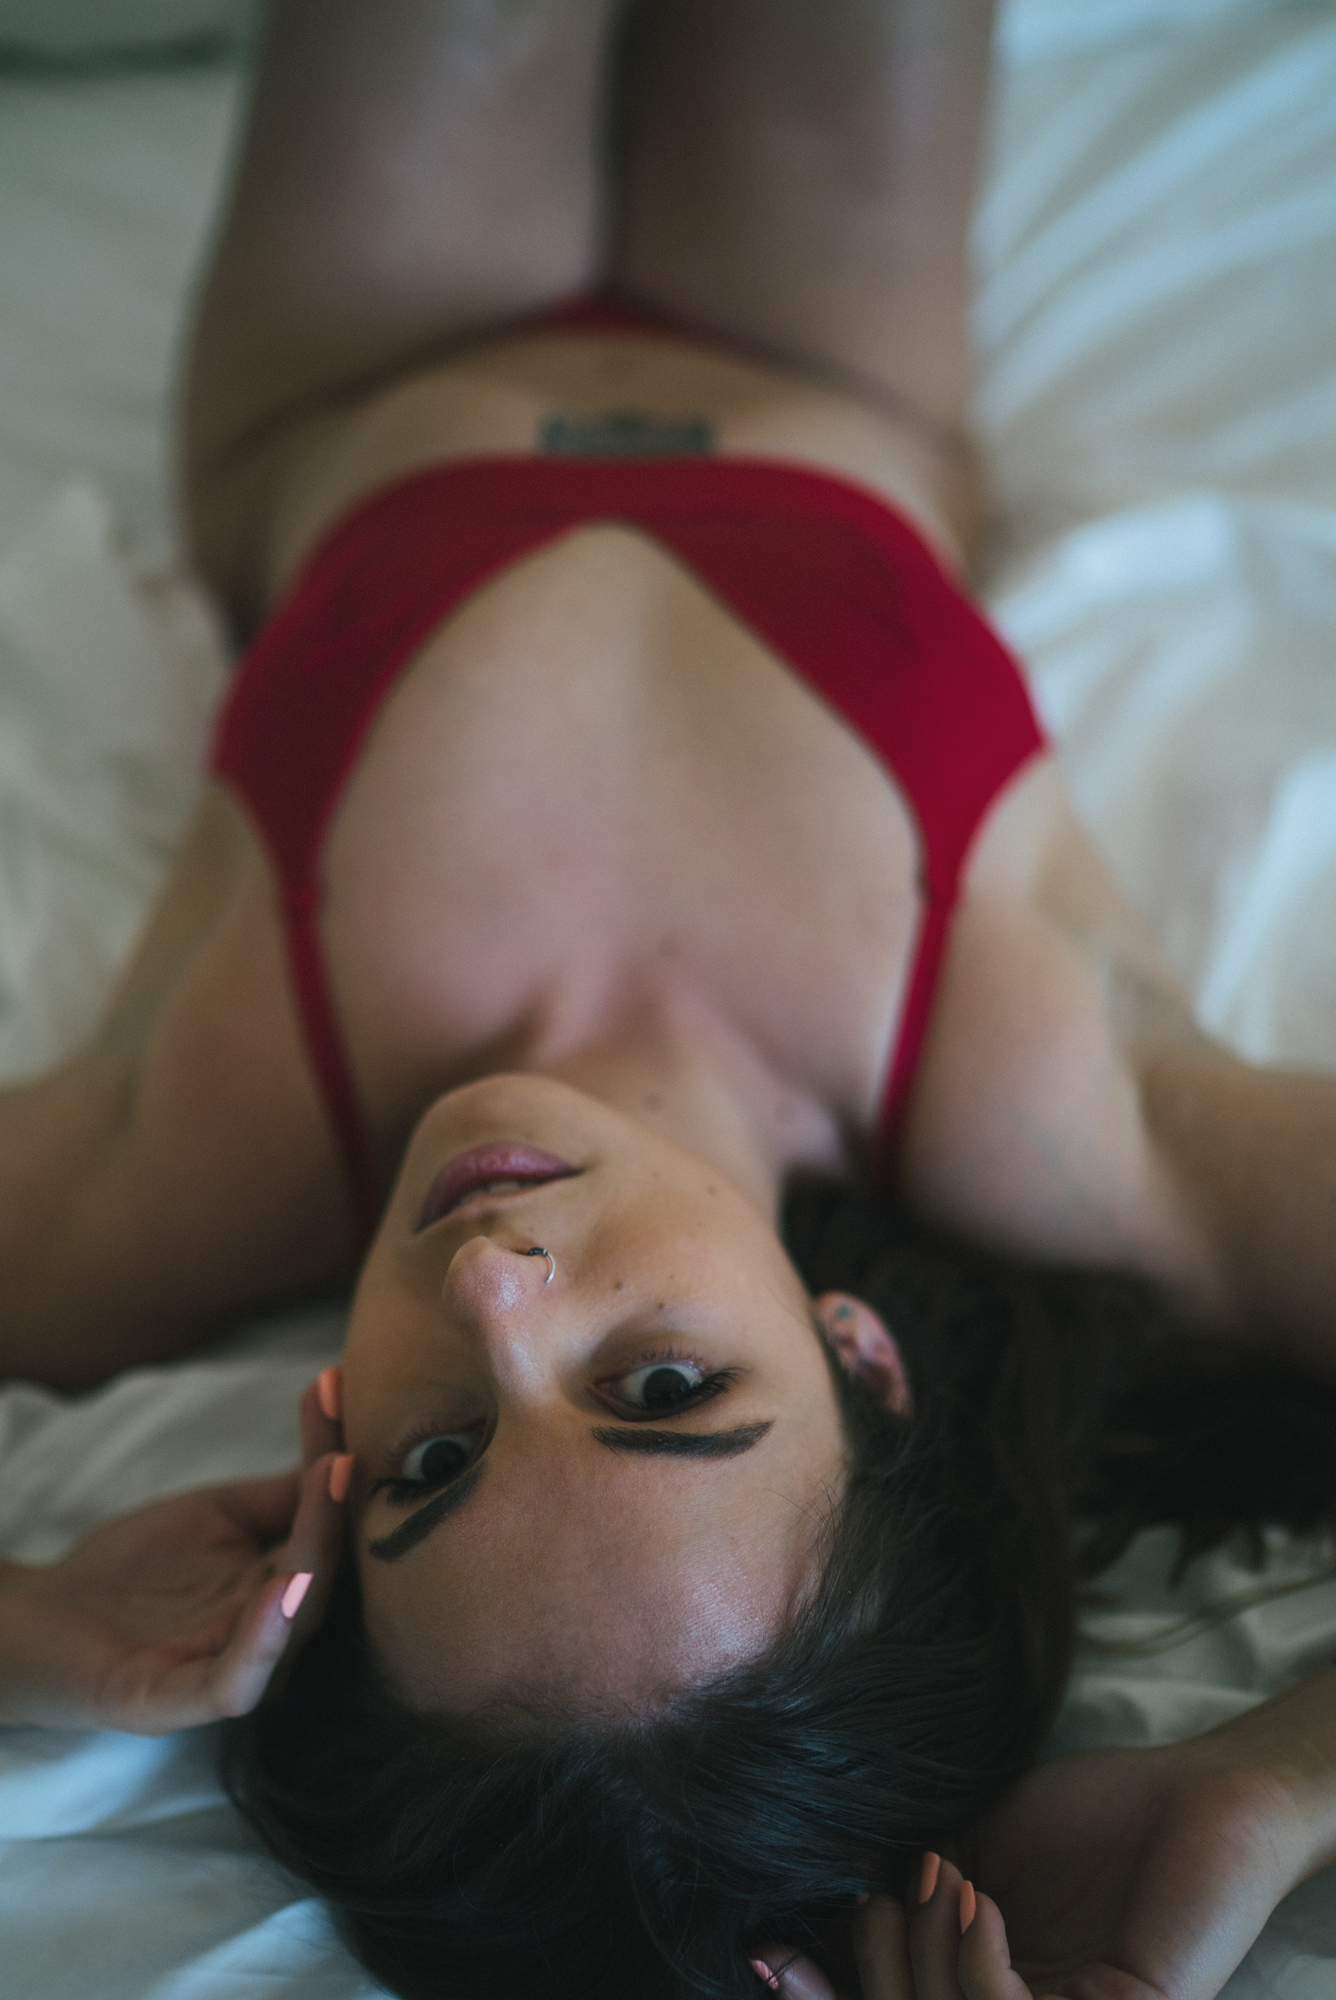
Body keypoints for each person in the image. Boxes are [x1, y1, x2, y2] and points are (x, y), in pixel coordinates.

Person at [1, 1, 1336, 1995]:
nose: (490, 1291)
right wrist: (1268, 1784)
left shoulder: (179, 1157)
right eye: (658, 1389)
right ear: (863, 1362)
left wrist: (11, 1620)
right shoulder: (1065, 1108)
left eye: (434, 1462)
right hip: (827, 364)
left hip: (368, 364)